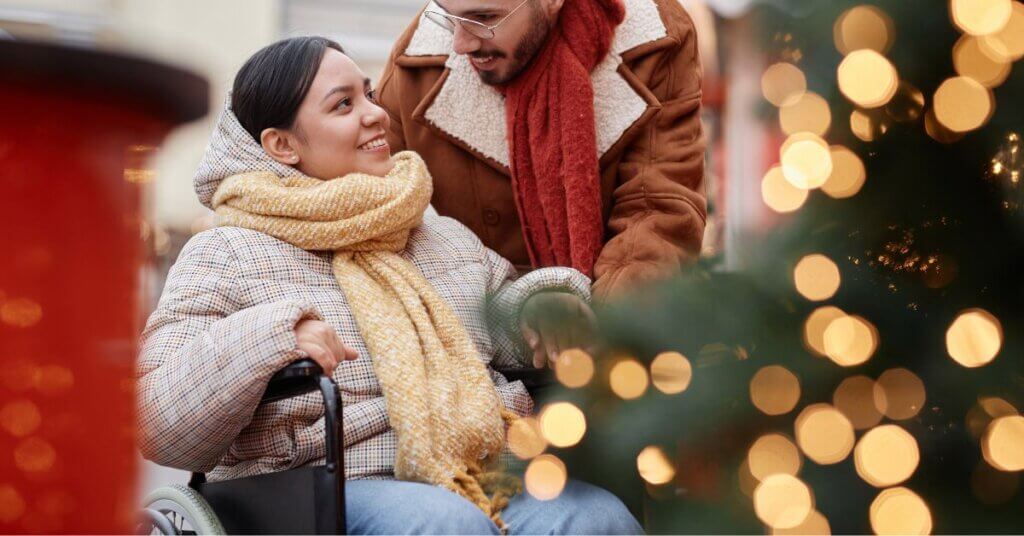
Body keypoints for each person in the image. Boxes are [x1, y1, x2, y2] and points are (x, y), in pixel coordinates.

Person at [136, 36, 642, 534]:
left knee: (598, 518)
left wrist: (543, 304)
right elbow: (159, 420)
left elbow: (496, 314)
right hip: (316, 486)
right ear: (282, 145)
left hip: (476, 467)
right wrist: (272, 338)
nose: (376, 115)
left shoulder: (432, 231)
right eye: (343, 105)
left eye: (369, 95)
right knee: (447, 525)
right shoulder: (227, 252)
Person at [377, 0, 707, 302]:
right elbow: (363, 204)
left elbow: (657, 212)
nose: (461, 44)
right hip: (482, 334)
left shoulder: (655, 42)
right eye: (449, 16)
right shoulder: (416, 59)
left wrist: (598, 334)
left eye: (484, 18)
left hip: (614, 332)